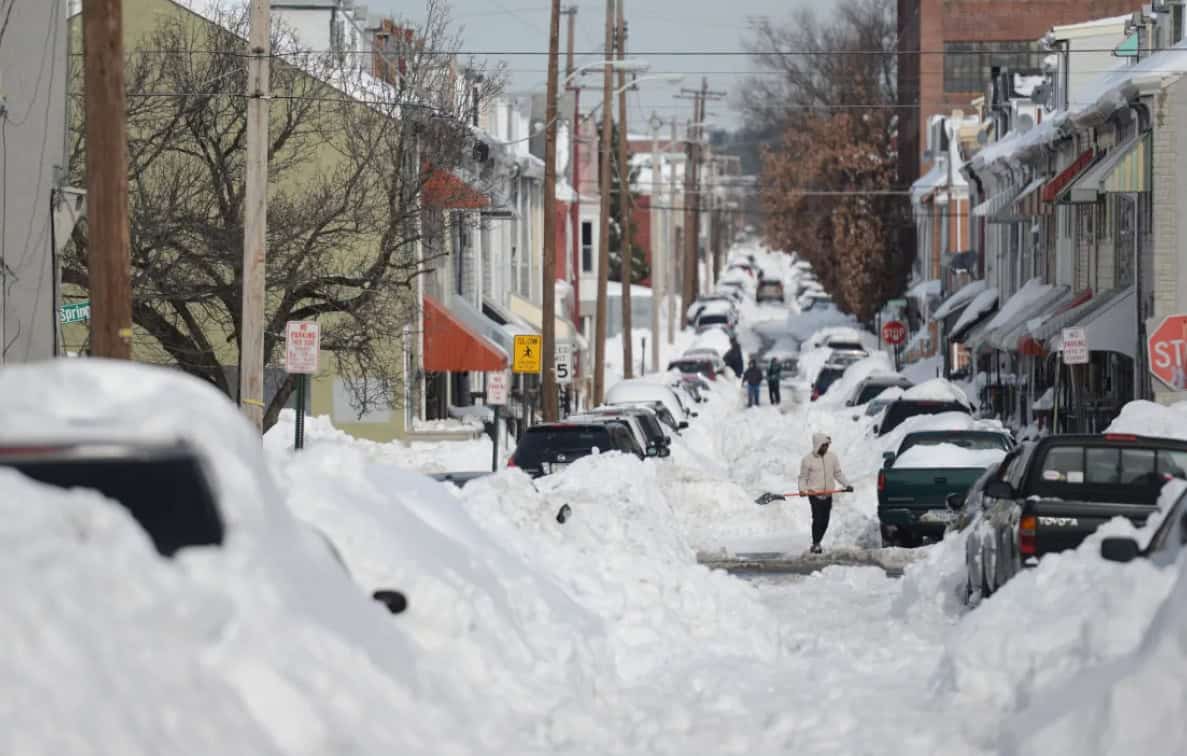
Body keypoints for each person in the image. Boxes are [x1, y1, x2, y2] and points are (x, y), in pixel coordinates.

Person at [798, 433, 853, 553]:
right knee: (817, 519)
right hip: (814, 494)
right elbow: (802, 478)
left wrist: (847, 484)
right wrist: (802, 490)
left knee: (825, 521)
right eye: (824, 445)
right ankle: (816, 543)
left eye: (827, 445)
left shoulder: (832, 457)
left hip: (828, 494)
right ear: (818, 445)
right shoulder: (807, 460)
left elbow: (838, 473)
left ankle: (818, 541)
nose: (826, 448)